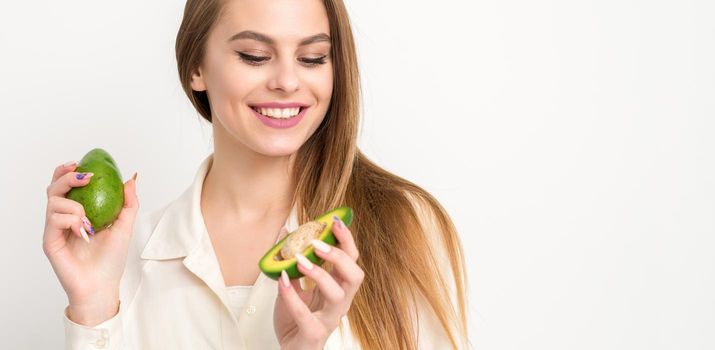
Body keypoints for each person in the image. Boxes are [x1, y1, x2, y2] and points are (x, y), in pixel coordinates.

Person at [42, 0, 469, 349]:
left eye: (312, 57)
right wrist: (93, 309)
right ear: (197, 68)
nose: (287, 80)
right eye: (255, 56)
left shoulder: (406, 227)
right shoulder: (127, 258)